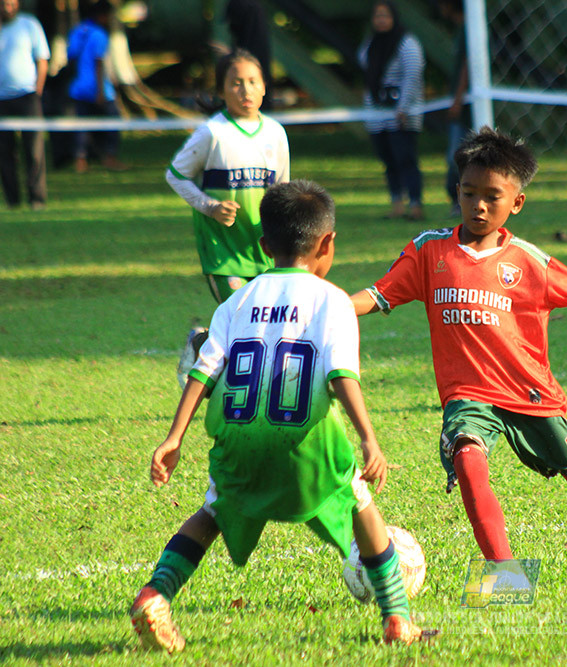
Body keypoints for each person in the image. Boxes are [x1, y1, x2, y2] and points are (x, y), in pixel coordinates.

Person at [351, 127, 567, 574]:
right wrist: (325, 304)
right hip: (468, 393)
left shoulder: (528, 261)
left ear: (516, 203)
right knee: (468, 458)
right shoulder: (429, 251)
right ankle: (505, 578)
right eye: (469, 193)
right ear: (457, 192)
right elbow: (378, 294)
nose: (479, 205)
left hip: (528, 392)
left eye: (492, 197)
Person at [128, 180, 428, 653]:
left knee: (211, 513)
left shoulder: (235, 302)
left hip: (239, 442)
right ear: (328, 243)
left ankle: (156, 594)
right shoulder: (332, 300)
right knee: (362, 508)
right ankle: (397, 619)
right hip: (305, 444)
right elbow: (341, 375)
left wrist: (174, 437)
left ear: (265, 246)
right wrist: (369, 438)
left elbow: (203, 370)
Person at [165, 48, 289, 386]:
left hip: (263, 248)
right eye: (236, 83)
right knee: (244, 318)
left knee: (266, 323)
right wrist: (210, 206)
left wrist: (285, 236)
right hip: (223, 249)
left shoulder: (275, 133)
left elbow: (282, 190)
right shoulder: (212, 133)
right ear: (221, 90)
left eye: (253, 81)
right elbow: (176, 175)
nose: (245, 90)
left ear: (264, 86)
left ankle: (201, 342)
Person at [358, 1, 426, 221]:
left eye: (385, 16)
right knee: (387, 160)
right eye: (377, 16)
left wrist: (403, 107)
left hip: (402, 114)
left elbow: (412, 76)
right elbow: (367, 74)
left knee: (405, 158)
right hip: (378, 114)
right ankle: (397, 204)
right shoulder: (370, 44)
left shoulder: (407, 42)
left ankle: (415, 204)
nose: (381, 20)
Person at [0, 0, 49, 210]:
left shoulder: (30, 24)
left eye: (11, 4)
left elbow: (42, 60)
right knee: (4, 153)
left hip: (27, 96)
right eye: (3, 4)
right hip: (1, 100)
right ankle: (12, 201)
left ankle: (37, 199)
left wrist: (37, 91)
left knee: (34, 151)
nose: (7, 8)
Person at [66, 0, 125, 173]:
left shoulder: (77, 31)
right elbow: (99, 63)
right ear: (102, 15)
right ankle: (110, 158)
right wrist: (100, 91)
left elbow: (71, 57)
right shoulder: (100, 34)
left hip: (78, 87)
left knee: (82, 126)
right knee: (113, 121)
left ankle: (80, 161)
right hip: (98, 88)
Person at [439, 0, 470, 218]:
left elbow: (468, 65)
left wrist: (458, 99)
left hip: (467, 107)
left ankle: (460, 201)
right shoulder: (461, 30)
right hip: (462, 103)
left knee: (458, 155)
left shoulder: (470, 30)